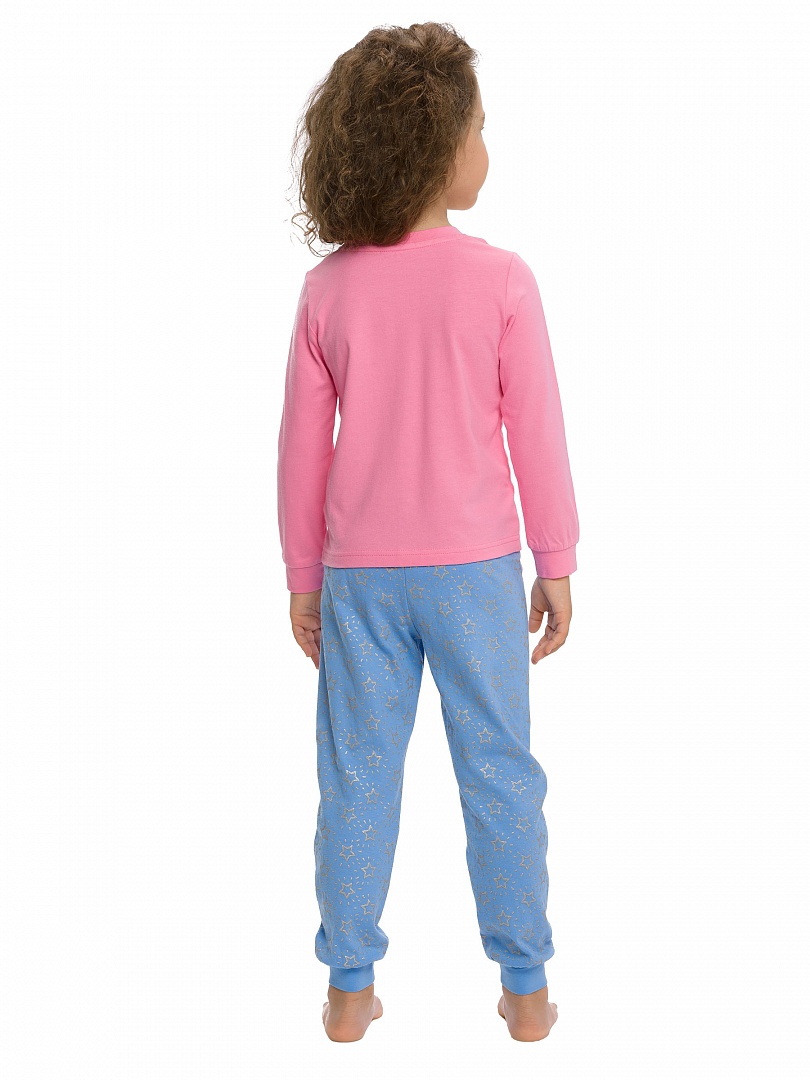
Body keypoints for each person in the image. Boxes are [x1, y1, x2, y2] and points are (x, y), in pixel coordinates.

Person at [277, 21, 579, 1043]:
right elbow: (537, 431)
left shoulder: (328, 290)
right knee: (499, 772)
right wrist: (557, 560)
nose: (488, 146)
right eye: (479, 127)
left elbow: (301, 453)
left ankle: (348, 989)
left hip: (361, 579)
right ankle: (526, 991)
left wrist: (304, 578)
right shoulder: (502, 280)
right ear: (438, 145)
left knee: (356, 777)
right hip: (476, 571)